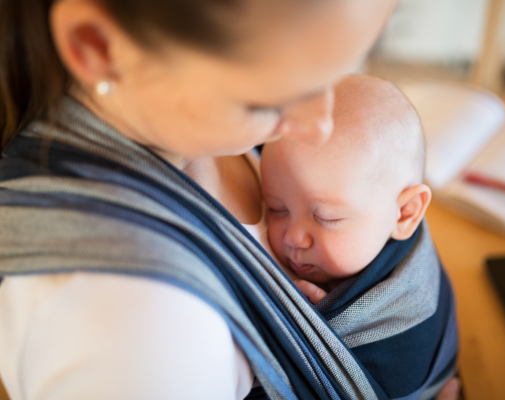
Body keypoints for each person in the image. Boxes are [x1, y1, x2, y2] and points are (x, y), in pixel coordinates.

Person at [0, 0, 459, 398]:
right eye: (282, 87)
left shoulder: (200, 130)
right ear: (97, 46)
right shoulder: (137, 336)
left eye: (335, 72)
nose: (321, 124)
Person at [261, 74, 458, 399]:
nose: (294, 237)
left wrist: (315, 322)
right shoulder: (370, 228)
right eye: (276, 208)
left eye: (326, 217)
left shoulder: (401, 336)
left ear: (406, 213)